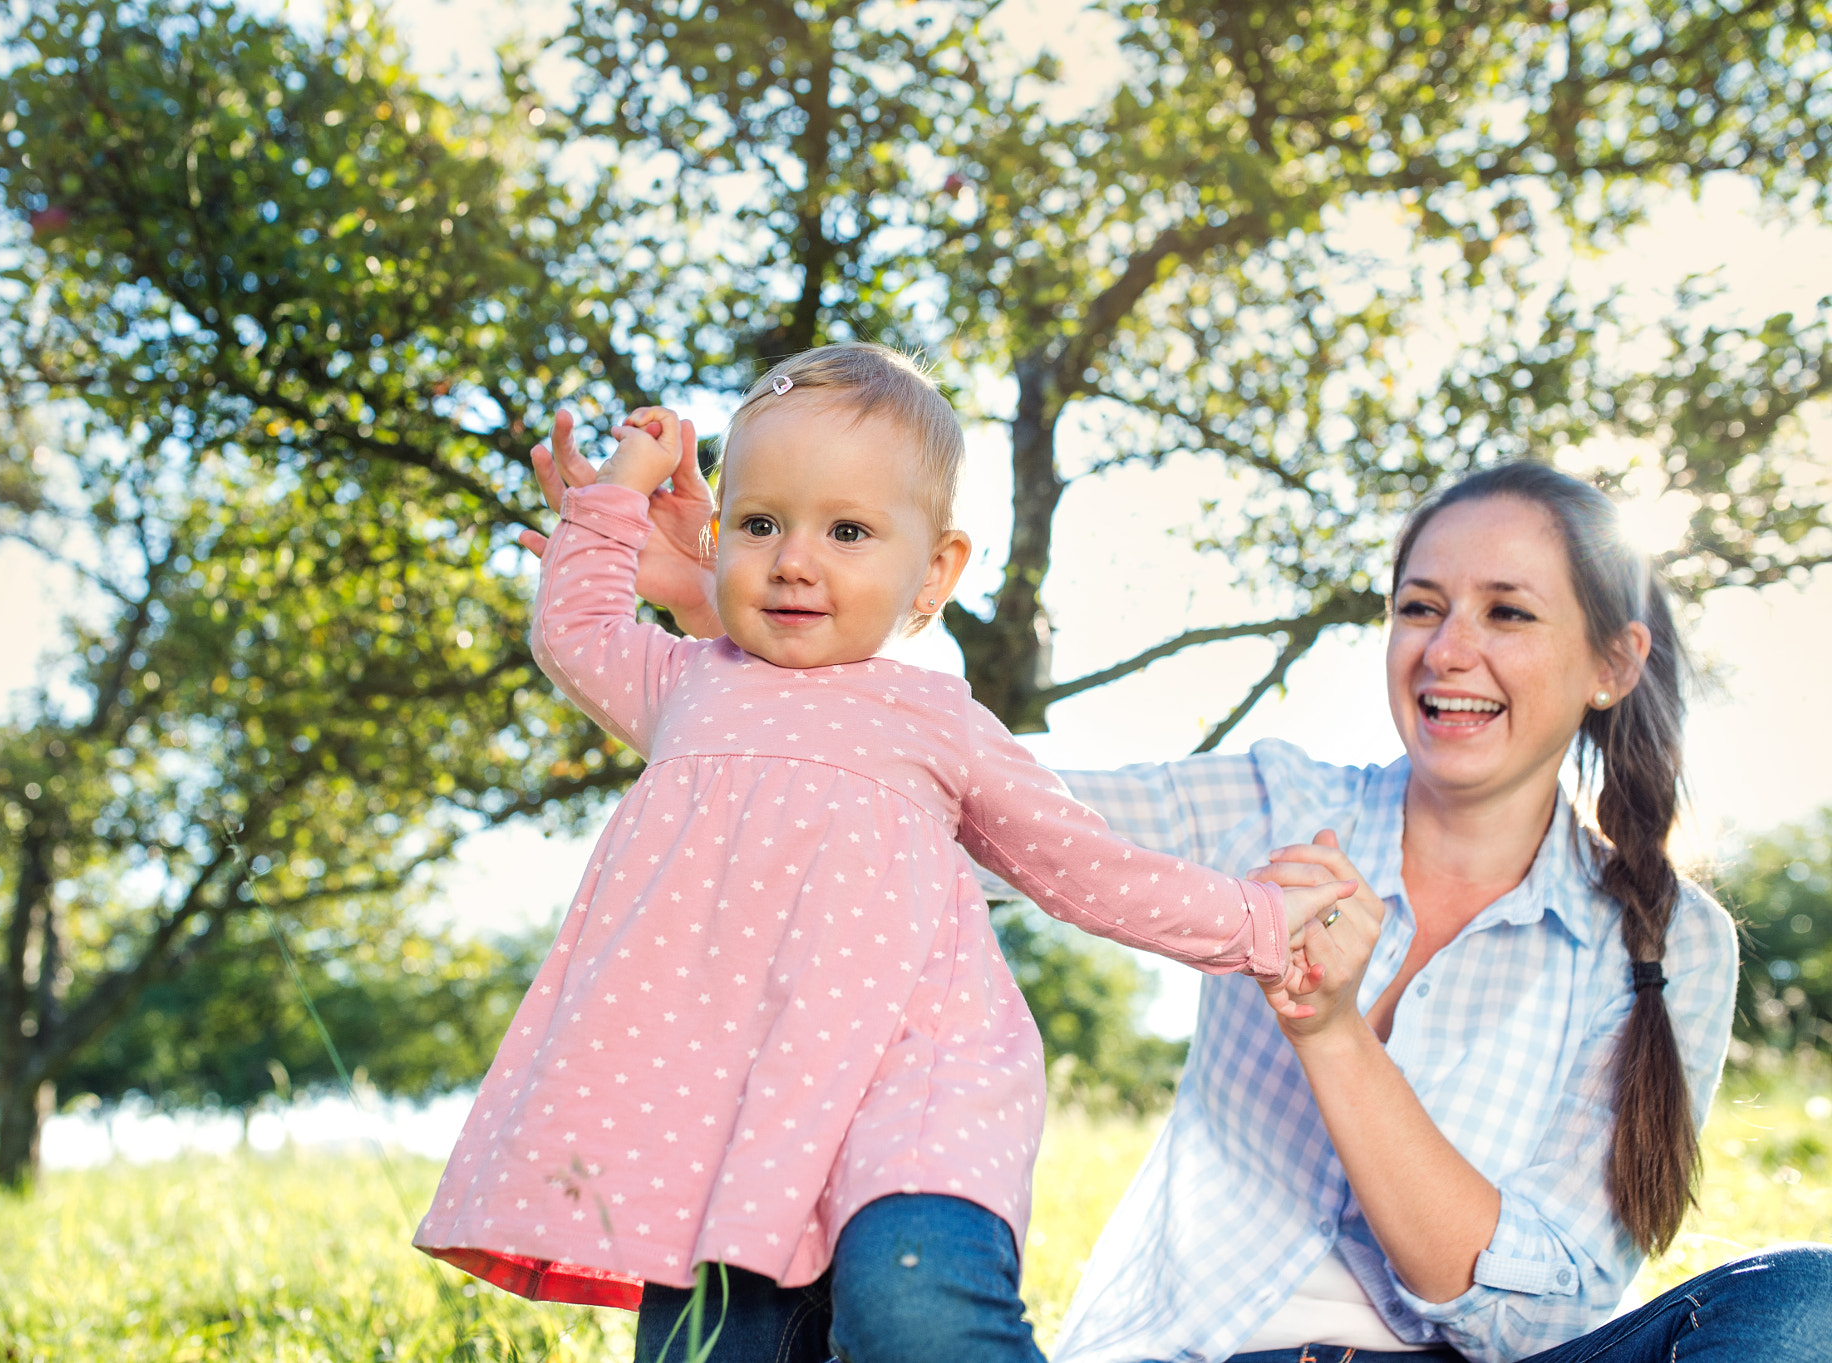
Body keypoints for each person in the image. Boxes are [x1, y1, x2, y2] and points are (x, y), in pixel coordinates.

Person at [559, 451, 1832, 1362]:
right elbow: (949, 813)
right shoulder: (1267, 802)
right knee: (814, 1180)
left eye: (1507, 614)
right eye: (1417, 608)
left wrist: (1332, 1034)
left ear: (1611, 661)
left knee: (1801, 1308)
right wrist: (747, 640)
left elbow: (1535, 1314)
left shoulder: (1666, 944)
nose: (1448, 651)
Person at [413, 343, 1354, 1363]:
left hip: (913, 1088)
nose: (793, 559)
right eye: (759, 523)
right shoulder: (689, 686)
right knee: (708, 1350)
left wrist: (1254, 922)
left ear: (934, 572)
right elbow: (575, 628)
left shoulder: (934, 717)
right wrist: (615, 501)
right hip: (736, 1111)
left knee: (914, 1312)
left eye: (848, 530)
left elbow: (1083, 866)